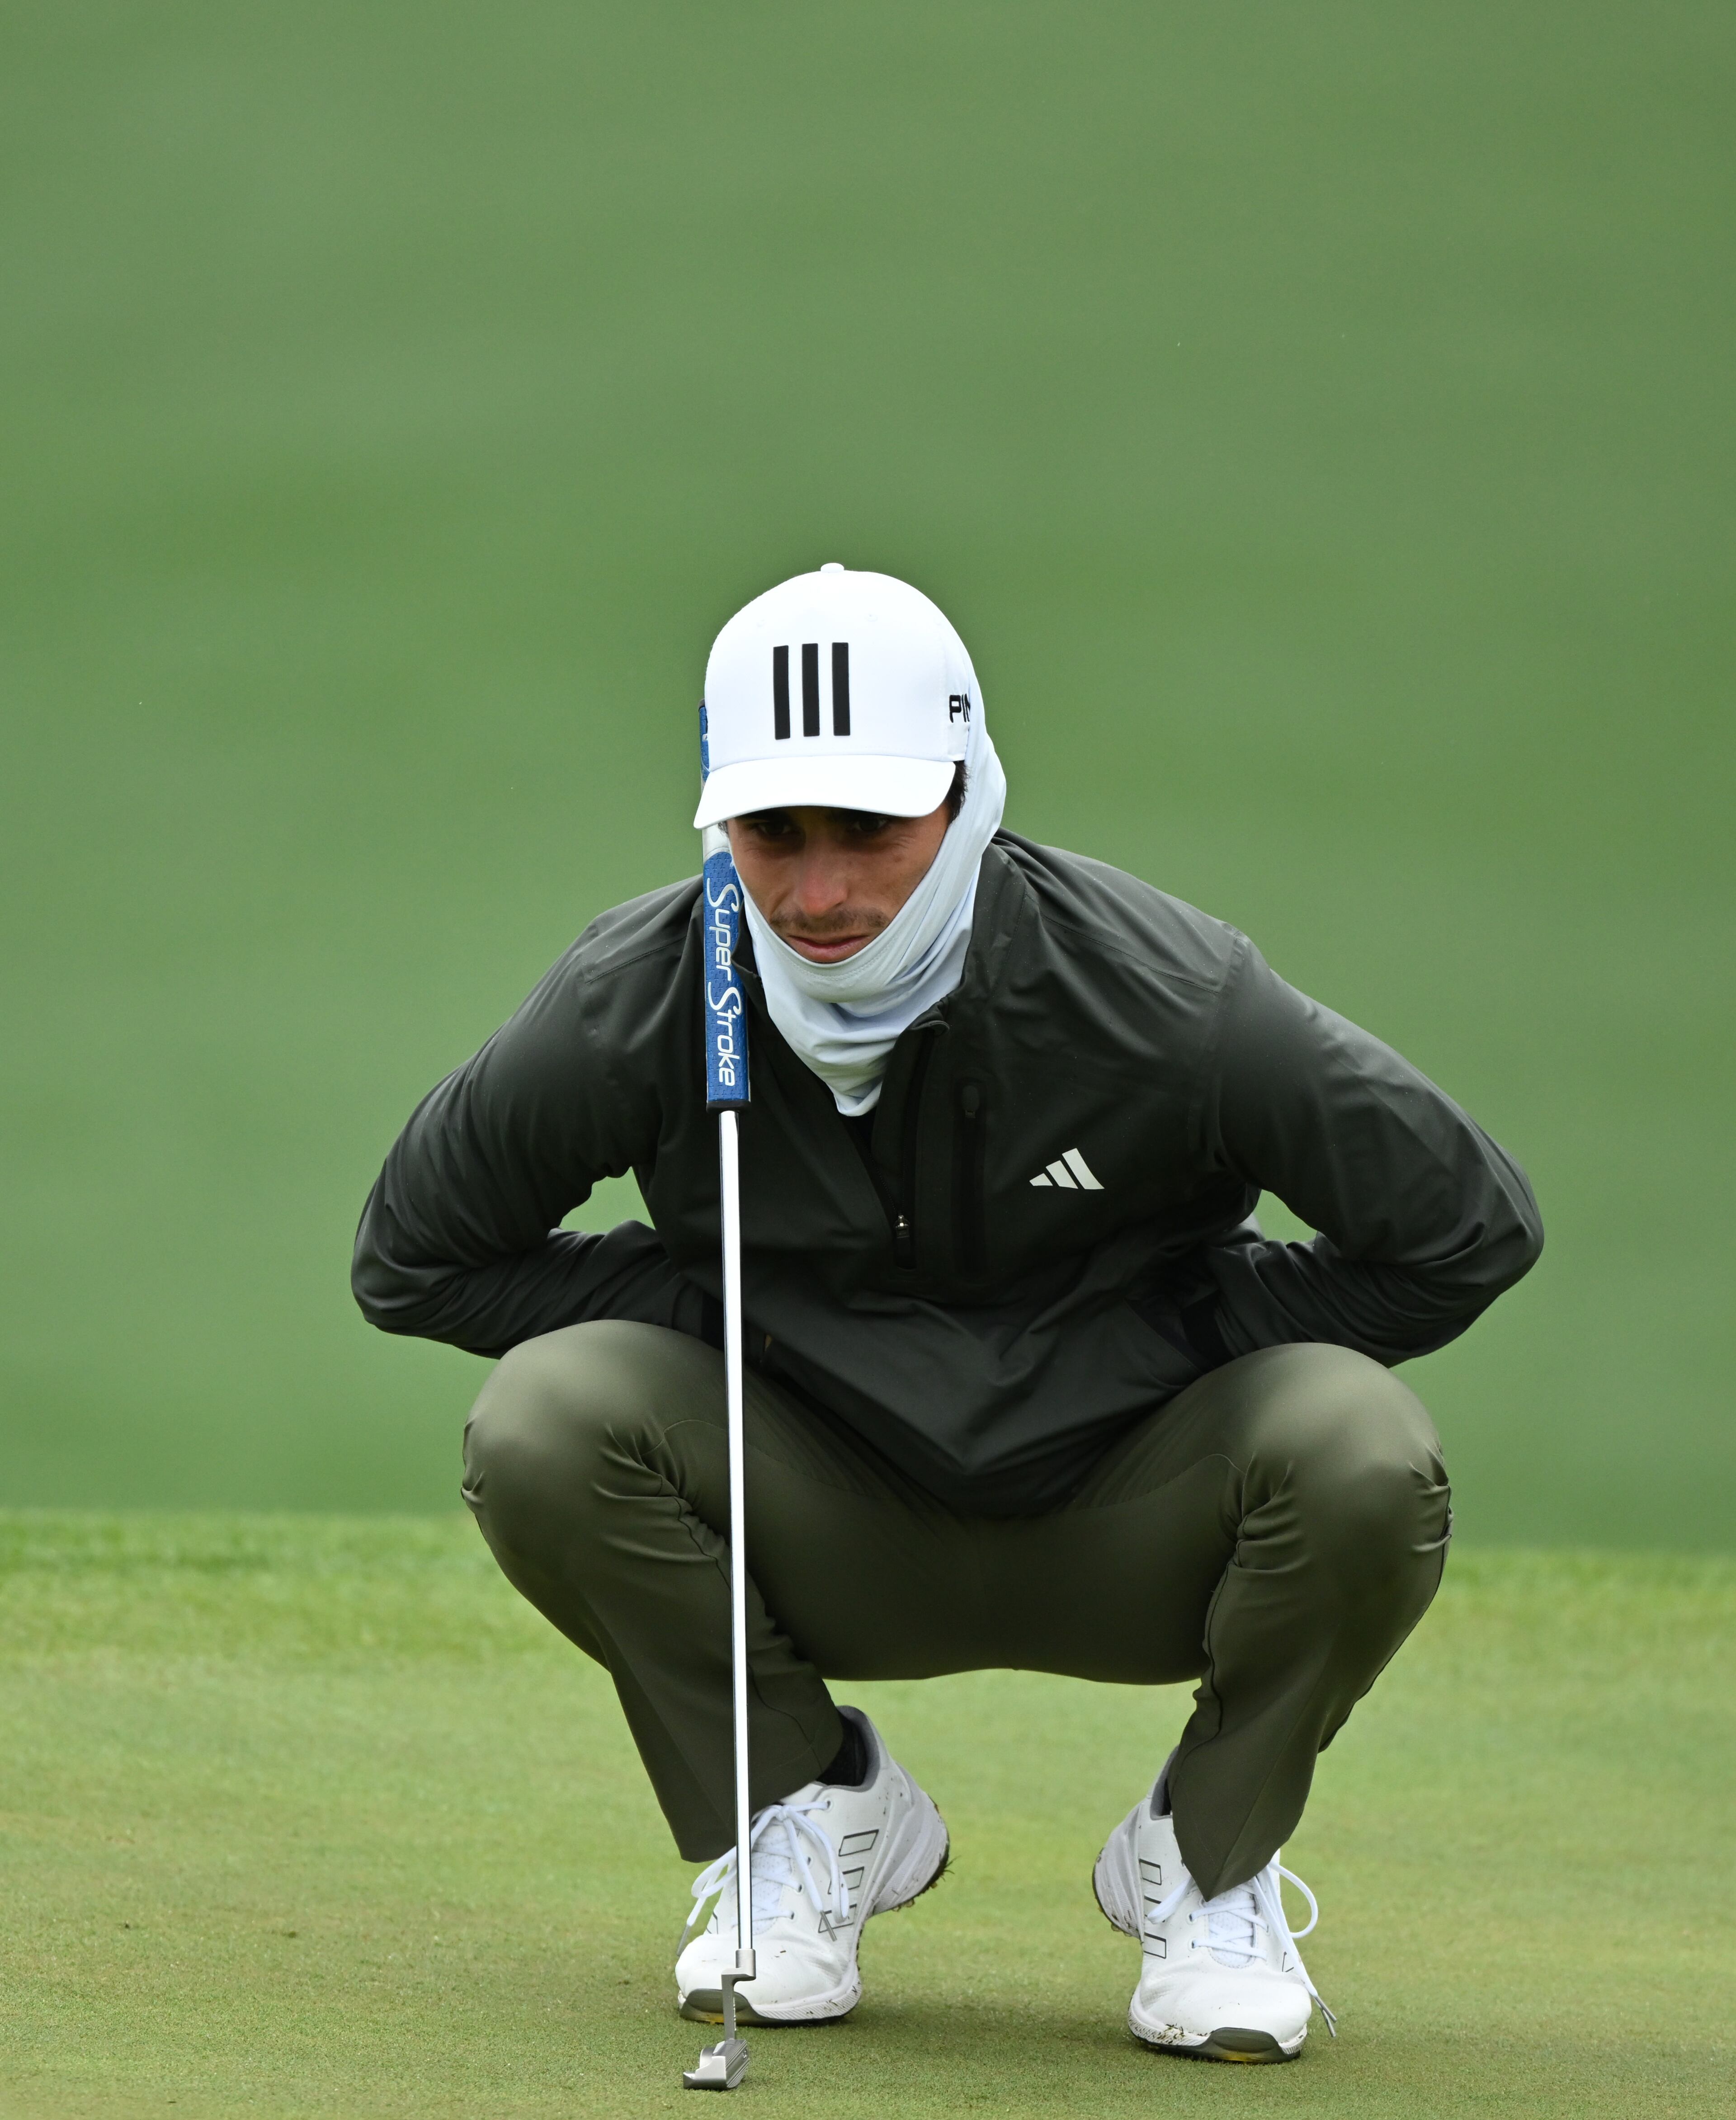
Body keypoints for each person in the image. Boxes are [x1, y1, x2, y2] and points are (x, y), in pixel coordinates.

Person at [352, 564, 1542, 2063]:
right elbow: (417, 1258)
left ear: (969, 795)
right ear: (717, 817)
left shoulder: (1166, 995)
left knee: (1363, 1444)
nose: (820, 889)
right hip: (825, 1516)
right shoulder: (644, 993)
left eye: (873, 829)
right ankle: (804, 1800)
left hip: (1134, 1511)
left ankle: (1211, 1854)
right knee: (543, 1415)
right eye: (773, 832)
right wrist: (734, 1308)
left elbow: (1467, 1229)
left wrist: (1184, 1324)